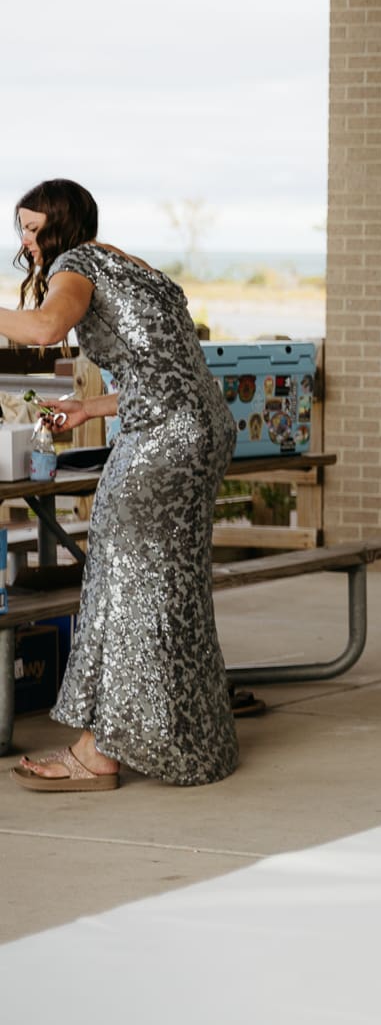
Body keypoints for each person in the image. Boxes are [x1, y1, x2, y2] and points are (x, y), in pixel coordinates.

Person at [5, 180, 239, 791]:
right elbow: (166, 369)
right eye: (21, 230)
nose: (26, 243)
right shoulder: (126, 264)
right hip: (202, 429)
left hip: (162, 440)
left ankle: (96, 753)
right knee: (172, 584)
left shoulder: (74, 264)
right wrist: (91, 410)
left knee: (119, 579)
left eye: (32, 229)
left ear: (59, 226)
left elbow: (44, 329)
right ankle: (192, 741)